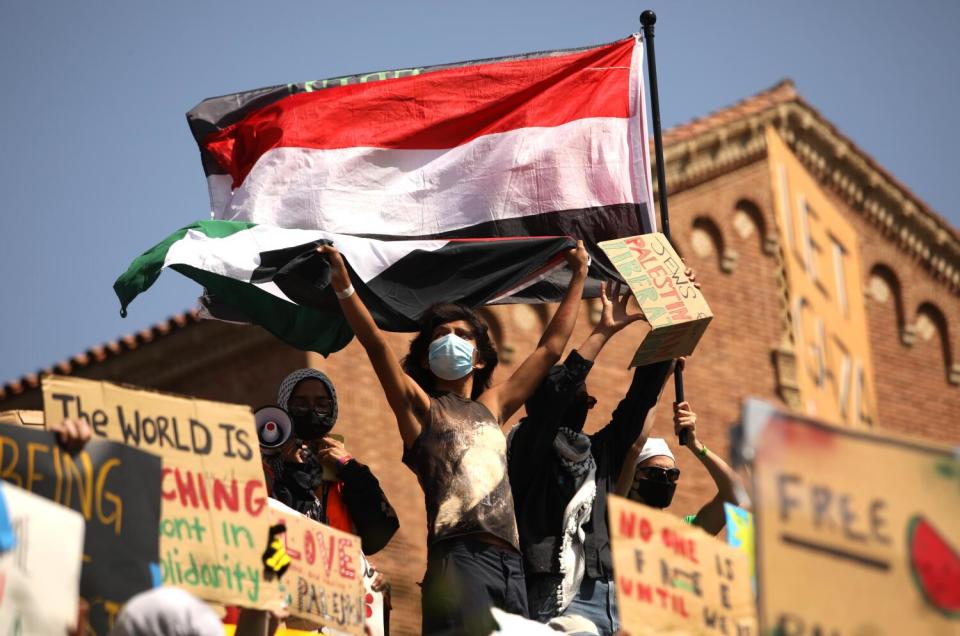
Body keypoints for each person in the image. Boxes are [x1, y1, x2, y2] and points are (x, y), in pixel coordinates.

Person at [316, 240, 590, 635]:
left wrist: (578, 275)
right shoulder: (421, 409)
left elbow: (549, 349)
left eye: (463, 334)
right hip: (459, 558)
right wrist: (344, 286)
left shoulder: (492, 406)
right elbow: (376, 345)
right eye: (441, 334)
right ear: (427, 354)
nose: (451, 339)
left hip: (512, 565)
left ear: (479, 357)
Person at [508, 281, 674, 635]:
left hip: (609, 599)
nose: (580, 395)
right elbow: (555, 393)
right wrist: (603, 331)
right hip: (555, 597)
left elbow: (638, 402)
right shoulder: (528, 446)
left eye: (585, 396)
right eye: (574, 389)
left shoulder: (598, 454)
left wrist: (671, 315)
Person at [261, 368, 399, 556]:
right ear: (285, 406)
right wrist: (293, 471)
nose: (311, 411)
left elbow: (380, 532)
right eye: (300, 404)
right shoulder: (266, 467)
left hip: (339, 576)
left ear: (332, 409)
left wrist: (350, 470)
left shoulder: (346, 469)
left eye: (322, 404)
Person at [616, 400, 750, 535]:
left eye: (672, 475)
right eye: (655, 473)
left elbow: (735, 491)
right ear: (632, 476)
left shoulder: (677, 537)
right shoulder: (606, 523)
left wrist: (694, 444)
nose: (665, 480)